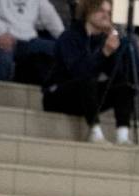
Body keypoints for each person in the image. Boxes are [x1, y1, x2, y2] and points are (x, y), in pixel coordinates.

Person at [42, 0, 133, 145]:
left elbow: (115, 74)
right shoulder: (70, 37)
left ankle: (122, 136)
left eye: (109, 12)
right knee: (87, 79)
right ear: (88, 11)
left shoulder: (103, 40)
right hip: (58, 94)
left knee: (123, 84)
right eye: (101, 11)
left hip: (86, 96)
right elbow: (78, 71)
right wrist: (104, 52)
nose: (106, 16)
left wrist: (115, 49)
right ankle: (95, 133)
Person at [0, 0, 62, 82]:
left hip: (29, 41)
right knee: (5, 57)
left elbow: (51, 19)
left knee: (60, 50)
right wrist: (1, 33)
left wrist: (65, 40)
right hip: (4, 39)